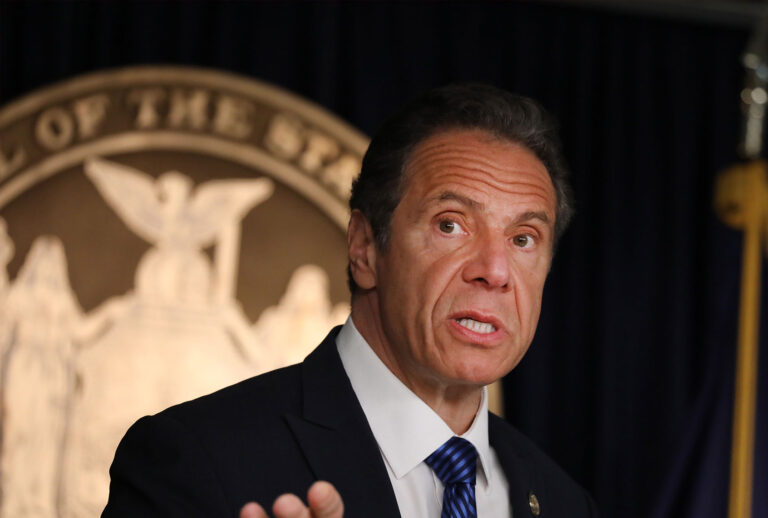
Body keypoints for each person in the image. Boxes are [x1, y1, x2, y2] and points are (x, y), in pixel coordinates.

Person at [103, 83, 597, 518]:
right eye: (451, 224)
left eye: (524, 238)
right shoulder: (194, 459)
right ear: (365, 248)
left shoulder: (564, 503)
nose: (494, 270)